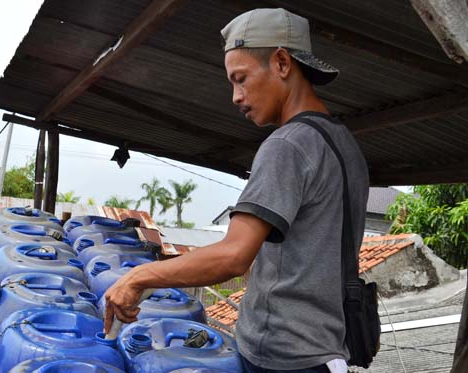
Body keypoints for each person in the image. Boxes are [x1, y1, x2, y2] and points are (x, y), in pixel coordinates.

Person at [103, 8, 369, 373]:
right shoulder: (342, 143)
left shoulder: (288, 145)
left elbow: (234, 254)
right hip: (324, 351)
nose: (235, 96)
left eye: (241, 79)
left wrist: (138, 277)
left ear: (280, 63)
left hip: (286, 359)